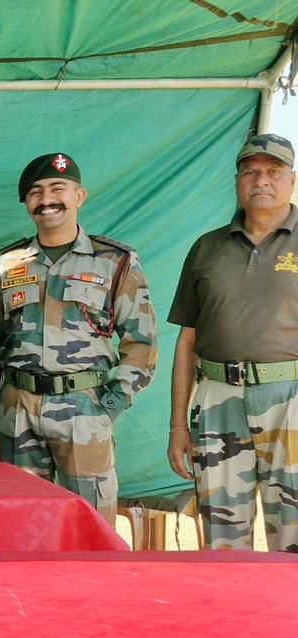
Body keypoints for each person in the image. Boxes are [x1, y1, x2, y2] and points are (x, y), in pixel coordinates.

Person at [0, 152, 158, 522]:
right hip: (16, 412)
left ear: (79, 196)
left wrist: (109, 406)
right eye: (36, 192)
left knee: (90, 523)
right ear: (27, 203)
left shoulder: (114, 261)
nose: (47, 199)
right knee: (19, 524)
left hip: (84, 410)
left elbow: (142, 344)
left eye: (58, 189)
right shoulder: (5, 266)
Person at [167, 133, 298, 551]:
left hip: (290, 401)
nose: (262, 180)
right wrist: (177, 427)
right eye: (250, 172)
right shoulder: (207, 248)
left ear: (292, 180)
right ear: (238, 182)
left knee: (294, 536)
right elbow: (187, 341)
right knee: (222, 538)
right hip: (218, 400)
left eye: (274, 171)